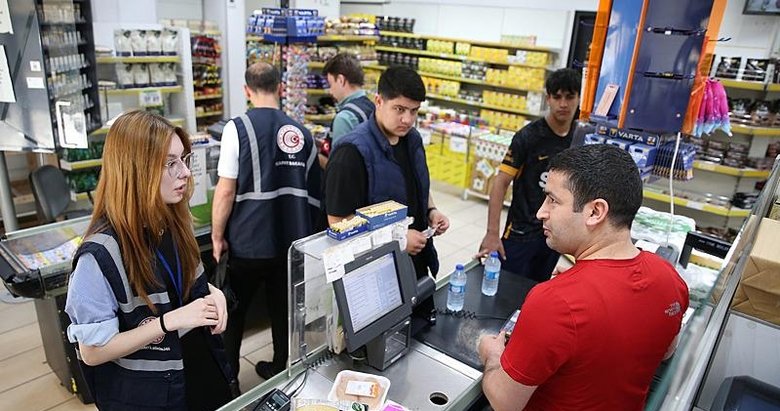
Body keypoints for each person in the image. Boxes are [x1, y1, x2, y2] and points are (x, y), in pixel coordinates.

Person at [478, 144, 689, 411]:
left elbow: (504, 402)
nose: (541, 212)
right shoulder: (670, 278)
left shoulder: (555, 301)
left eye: (553, 200)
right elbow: (666, 350)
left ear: (595, 212)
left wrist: (492, 354)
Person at [65, 110, 234, 411]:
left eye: (183, 160)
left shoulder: (173, 222)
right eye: (170, 163)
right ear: (134, 170)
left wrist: (214, 294)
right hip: (150, 393)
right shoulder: (99, 255)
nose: (184, 173)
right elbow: (92, 352)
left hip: (198, 369)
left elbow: (183, 289)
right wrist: (169, 322)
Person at [211, 62, 321, 381]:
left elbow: (226, 191)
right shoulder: (302, 133)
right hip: (291, 243)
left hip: (247, 241)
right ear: (281, 89)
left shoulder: (237, 128)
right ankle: (280, 369)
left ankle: (228, 379)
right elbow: (312, 189)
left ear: (247, 91)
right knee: (282, 309)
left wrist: (217, 237)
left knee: (233, 311)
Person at [324, 65, 450, 321]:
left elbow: (417, 185)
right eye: (399, 109)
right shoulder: (351, 153)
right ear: (378, 101)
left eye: (414, 111)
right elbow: (337, 222)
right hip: (375, 276)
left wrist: (431, 210)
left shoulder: (412, 140)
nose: (407, 119)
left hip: (416, 264)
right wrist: (399, 239)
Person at [477, 68, 581, 282]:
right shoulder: (528, 137)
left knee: (538, 289)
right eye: (557, 97)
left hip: (554, 232)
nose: (563, 104)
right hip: (520, 233)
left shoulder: (579, 137)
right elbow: (500, 183)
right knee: (505, 292)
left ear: (579, 98)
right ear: (548, 99)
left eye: (570, 97)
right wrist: (491, 233)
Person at [322, 52, 375, 144]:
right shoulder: (371, 106)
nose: (330, 91)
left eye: (330, 84)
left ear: (340, 80)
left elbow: (339, 157)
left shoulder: (344, 118)